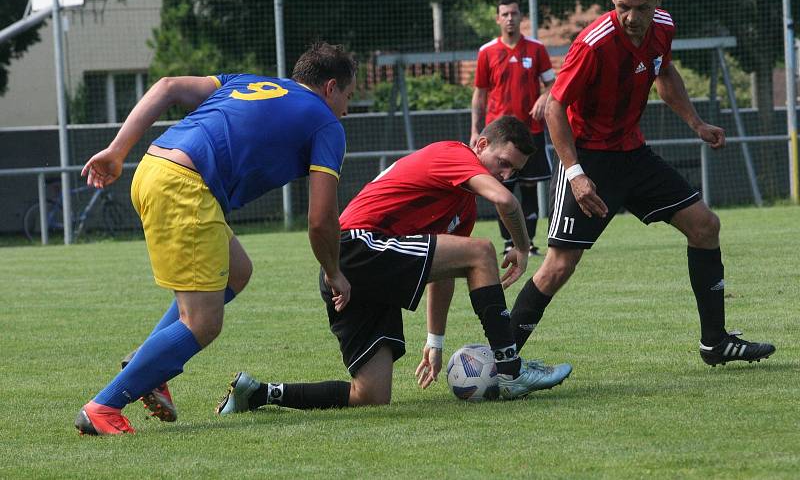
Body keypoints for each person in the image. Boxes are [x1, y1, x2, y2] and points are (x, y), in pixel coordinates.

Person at [74, 42, 358, 436]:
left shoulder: (246, 83)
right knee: (203, 323)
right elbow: (321, 219)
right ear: (331, 88)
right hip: (185, 187)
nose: (346, 108)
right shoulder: (327, 124)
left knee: (237, 270)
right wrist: (334, 272)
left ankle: (147, 363)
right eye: (348, 96)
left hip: (153, 168)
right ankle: (103, 406)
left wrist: (117, 151)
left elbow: (168, 85)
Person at [215, 116, 573, 414]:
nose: (506, 174)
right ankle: (509, 370)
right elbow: (505, 201)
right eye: (503, 163)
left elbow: (445, 272)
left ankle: (258, 393)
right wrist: (522, 247)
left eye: (514, 170)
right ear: (480, 145)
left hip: (360, 271)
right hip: (357, 247)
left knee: (371, 395)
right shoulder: (453, 154)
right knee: (482, 250)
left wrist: (435, 340)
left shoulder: (461, 206)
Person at [509, 0, 776, 367]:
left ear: (658, 1)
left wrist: (697, 124)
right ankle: (503, 356)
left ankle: (715, 342)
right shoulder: (593, 44)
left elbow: (664, 73)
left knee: (705, 226)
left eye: (642, 8)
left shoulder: (663, 28)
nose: (632, 17)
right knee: (559, 266)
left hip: (633, 155)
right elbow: (554, 107)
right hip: (589, 160)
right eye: (623, 7)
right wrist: (576, 173)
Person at [471, 0, 556, 257]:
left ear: (521, 17)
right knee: (501, 188)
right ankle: (509, 242)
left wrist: (544, 97)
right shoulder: (487, 51)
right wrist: (475, 130)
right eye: (505, 14)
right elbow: (480, 94)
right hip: (498, 137)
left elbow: (553, 85)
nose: (510, 18)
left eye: (514, 13)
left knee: (530, 186)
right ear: (498, 19)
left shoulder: (536, 48)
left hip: (530, 132)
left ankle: (528, 243)